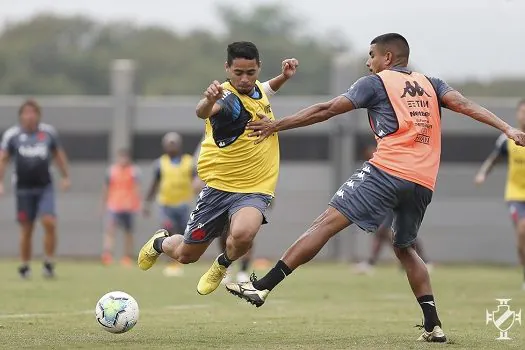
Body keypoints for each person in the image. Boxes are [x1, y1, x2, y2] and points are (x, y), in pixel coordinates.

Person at [225, 33, 525, 343]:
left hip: (387, 171)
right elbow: (463, 105)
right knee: (405, 247)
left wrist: (276, 125)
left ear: (388, 58)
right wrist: (507, 127)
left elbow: (327, 109)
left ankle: (262, 286)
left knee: (326, 223)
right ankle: (433, 325)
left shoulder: (375, 83)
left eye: (372, 55)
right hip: (422, 182)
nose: (369, 62)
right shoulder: (432, 83)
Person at [137, 41, 299, 296]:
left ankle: (221, 265)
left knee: (244, 234)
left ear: (258, 68)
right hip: (219, 187)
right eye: (238, 73)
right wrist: (208, 100)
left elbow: (265, 89)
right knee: (185, 255)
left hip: (255, 187)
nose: (245, 79)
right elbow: (203, 111)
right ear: (227, 68)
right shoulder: (224, 98)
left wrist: (283, 78)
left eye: (250, 72)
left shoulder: (255, 89)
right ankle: (159, 242)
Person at [0, 99, 71, 279]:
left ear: (38, 115)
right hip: (23, 188)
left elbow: (58, 155)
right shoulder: (12, 135)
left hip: (44, 187)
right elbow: (3, 159)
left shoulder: (48, 133)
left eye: (33, 112)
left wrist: (65, 176)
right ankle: (25, 265)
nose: (30, 116)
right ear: (21, 116)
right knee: (27, 228)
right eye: (26, 112)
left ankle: (48, 262)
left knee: (49, 222)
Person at [354, 145, 432, 275]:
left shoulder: (391, 161)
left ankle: (421, 261)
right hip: (388, 202)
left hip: (396, 199)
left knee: (401, 233)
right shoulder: (376, 166)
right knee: (385, 232)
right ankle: (374, 262)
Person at [475, 99, 525, 289]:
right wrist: (482, 174)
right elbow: (493, 159)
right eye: (522, 111)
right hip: (516, 194)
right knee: (522, 229)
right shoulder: (508, 138)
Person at [143, 132, 200, 277]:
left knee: (183, 235)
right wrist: (147, 203)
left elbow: (197, 181)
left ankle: (178, 261)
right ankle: (171, 264)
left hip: (184, 205)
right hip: (166, 204)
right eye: (169, 144)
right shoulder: (160, 163)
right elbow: (154, 185)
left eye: (173, 143)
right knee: (169, 230)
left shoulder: (188, 162)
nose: (171, 146)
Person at [101, 148, 141, 267]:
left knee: (128, 232)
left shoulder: (134, 171)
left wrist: (137, 203)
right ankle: (107, 255)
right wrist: (103, 204)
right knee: (110, 230)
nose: (123, 160)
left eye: (125, 157)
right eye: (121, 157)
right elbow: (106, 188)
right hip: (114, 205)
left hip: (128, 206)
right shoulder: (112, 171)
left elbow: (137, 188)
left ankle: (127, 256)